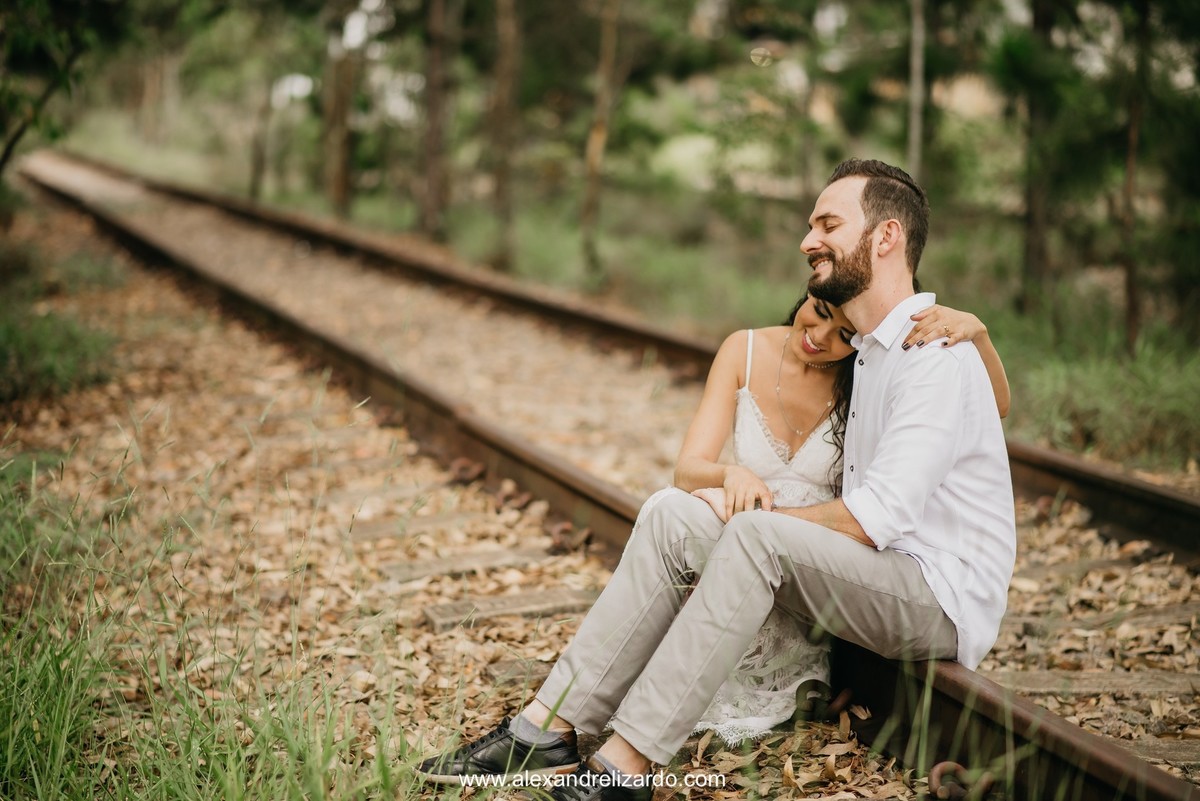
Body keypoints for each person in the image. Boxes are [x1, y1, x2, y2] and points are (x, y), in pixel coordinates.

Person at [415, 159, 1017, 801]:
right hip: (870, 574)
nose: (808, 240)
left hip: (933, 596)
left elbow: (875, 520)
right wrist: (716, 497)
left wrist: (975, 335)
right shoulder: (868, 350)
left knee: (756, 537)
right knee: (675, 513)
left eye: (828, 224)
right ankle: (549, 727)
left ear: (886, 237)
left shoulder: (935, 357)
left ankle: (626, 764)